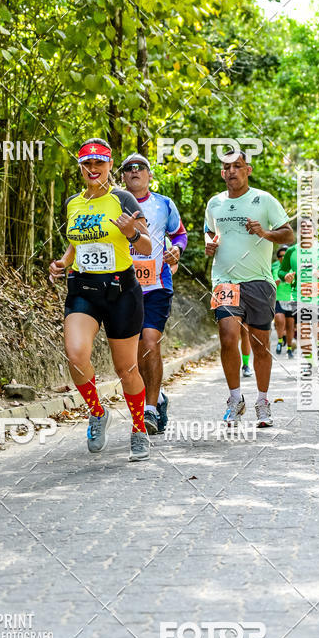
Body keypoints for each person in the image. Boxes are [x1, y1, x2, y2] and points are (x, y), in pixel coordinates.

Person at [49, 138, 152, 460]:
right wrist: (64, 262)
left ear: (109, 166)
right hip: (83, 288)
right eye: (87, 164)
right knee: (76, 355)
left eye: (99, 163)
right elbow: (75, 242)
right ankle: (97, 412)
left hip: (121, 290)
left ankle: (139, 428)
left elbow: (147, 247)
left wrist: (132, 234)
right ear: (80, 167)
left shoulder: (122, 198)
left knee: (126, 369)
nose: (93, 169)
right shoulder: (73, 203)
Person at [203, 150, 294, 426]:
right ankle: (235, 399)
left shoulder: (263, 200)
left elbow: (288, 233)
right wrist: (209, 244)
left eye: (237, 166)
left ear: (248, 170)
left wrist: (265, 233)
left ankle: (263, 401)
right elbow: (210, 231)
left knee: (260, 345)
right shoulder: (215, 203)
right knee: (228, 337)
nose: (232, 171)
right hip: (225, 280)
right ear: (222, 173)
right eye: (227, 167)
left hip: (259, 281)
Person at [120, 152, 188, 435]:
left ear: (149, 175)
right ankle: (157, 398)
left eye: (141, 168)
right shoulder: (114, 203)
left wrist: (177, 250)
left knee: (150, 340)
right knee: (133, 352)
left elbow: (180, 234)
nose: (135, 171)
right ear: (122, 176)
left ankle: (148, 411)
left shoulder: (164, 204)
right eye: (129, 168)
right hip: (123, 285)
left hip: (157, 285)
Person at [278, 218, 319, 357]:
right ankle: (308, 363)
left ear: (314, 231)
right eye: (302, 226)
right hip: (298, 296)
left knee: (318, 330)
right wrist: (286, 276)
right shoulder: (292, 251)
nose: (306, 228)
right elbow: (282, 271)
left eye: (309, 226)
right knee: (302, 330)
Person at [271, 244, 296, 357]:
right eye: (280, 256)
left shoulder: (294, 266)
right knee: (279, 319)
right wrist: (274, 283)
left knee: (290, 325)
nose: (282, 258)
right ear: (278, 257)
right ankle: (280, 340)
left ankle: (289, 348)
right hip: (278, 299)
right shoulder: (274, 267)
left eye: (285, 256)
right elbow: (270, 280)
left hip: (291, 300)